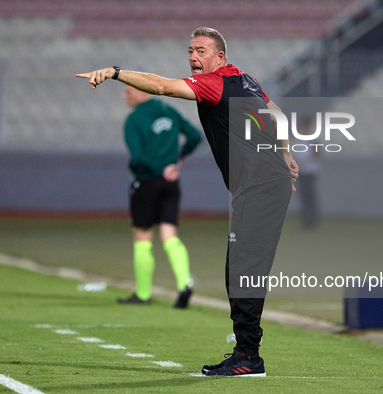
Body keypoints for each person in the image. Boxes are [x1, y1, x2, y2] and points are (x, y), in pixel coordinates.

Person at [77, 27, 298, 377]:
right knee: (241, 269)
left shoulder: (214, 84)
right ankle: (247, 353)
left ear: (219, 58)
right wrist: (285, 155)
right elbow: (279, 116)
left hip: (259, 187)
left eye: (201, 51)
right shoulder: (246, 80)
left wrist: (116, 73)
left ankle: (248, 357)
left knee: (243, 270)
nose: (194, 57)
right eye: (190, 51)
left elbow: (162, 86)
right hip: (265, 184)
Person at [116, 85, 201, 308]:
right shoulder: (169, 111)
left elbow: (138, 157)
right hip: (171, 184)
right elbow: (194, 136)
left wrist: (160, 168)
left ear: (141, 91)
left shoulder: (134, 120)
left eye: (128, 91)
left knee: (143, 238)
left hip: (146, 183)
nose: (125, 96)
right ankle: (184, 283)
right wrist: (177, 159)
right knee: (169, 234)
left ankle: (143, 295)